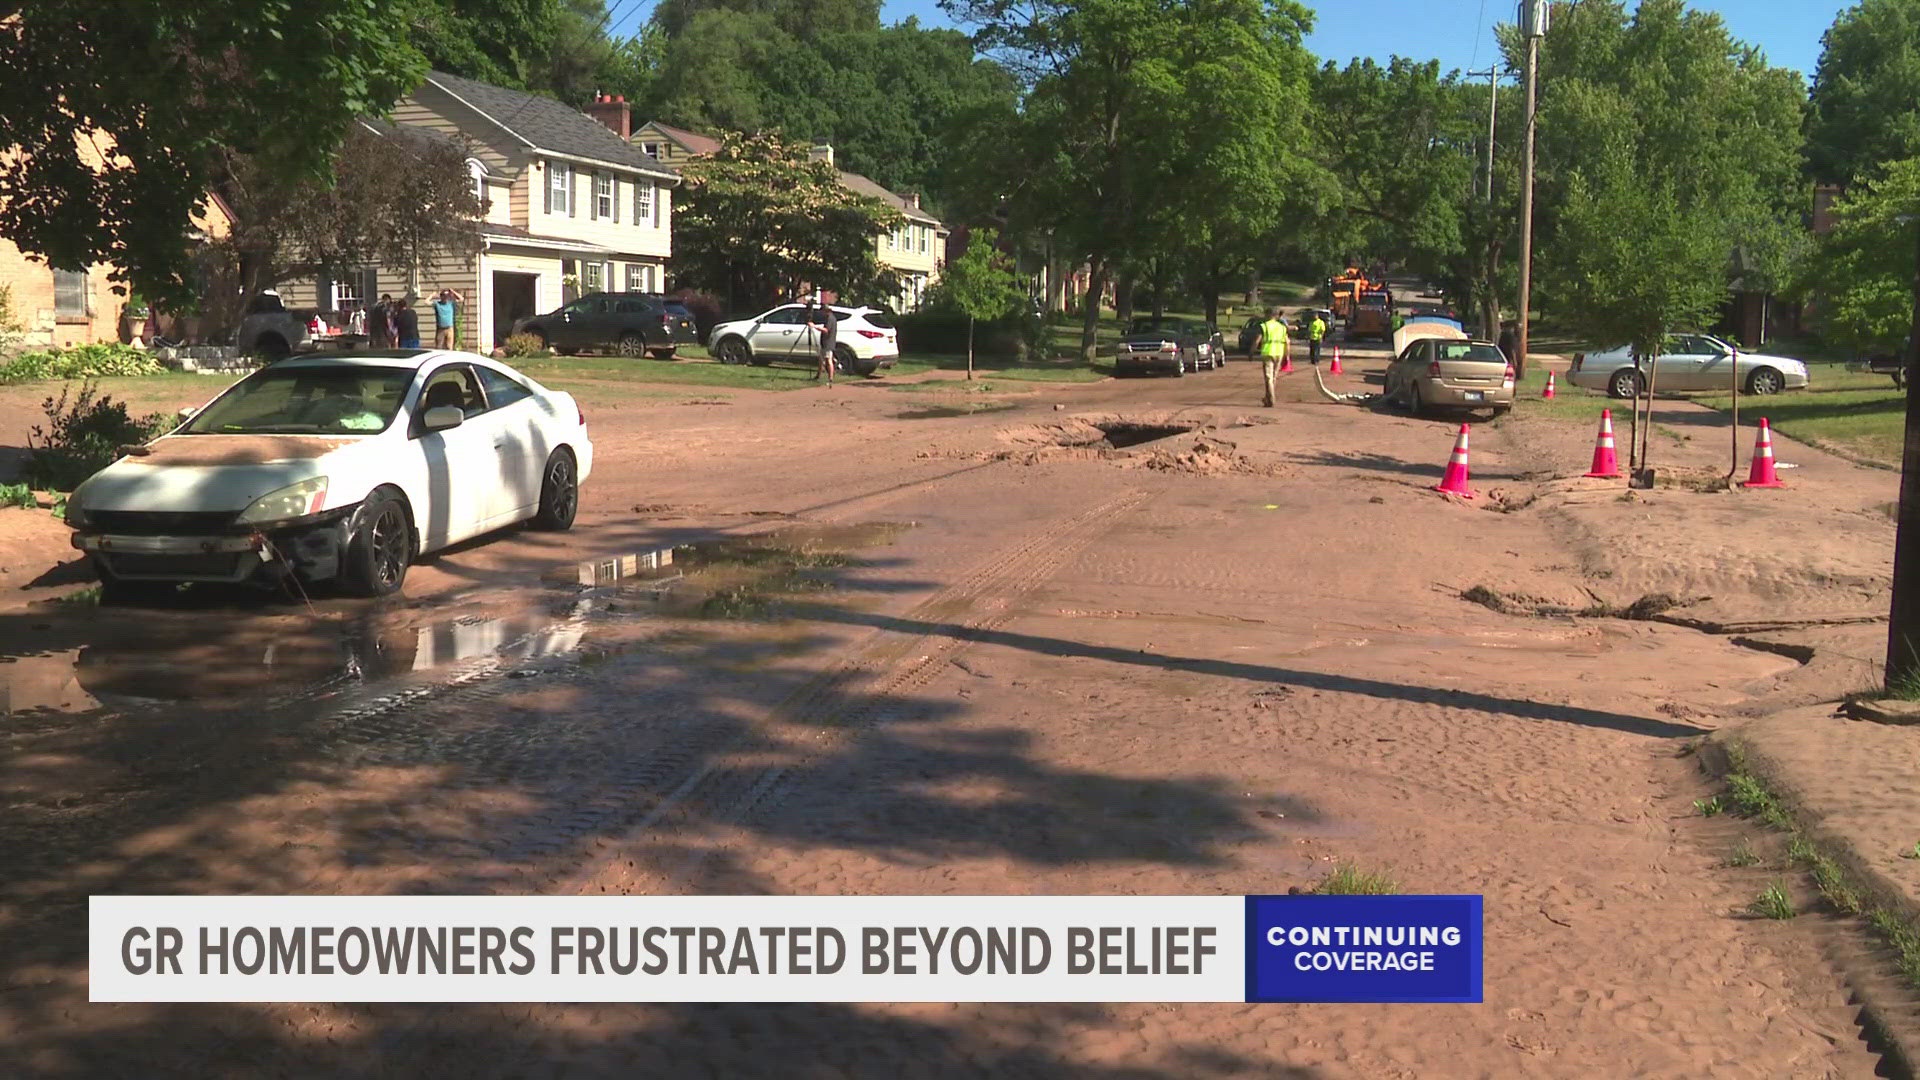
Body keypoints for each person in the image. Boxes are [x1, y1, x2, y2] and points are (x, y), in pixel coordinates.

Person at [1253, 306, 1289, 408]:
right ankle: (1267, 398)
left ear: (1268, 315)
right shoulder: (1282, 327)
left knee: (1268, 377)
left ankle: (1271, 398)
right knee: (1273, 377)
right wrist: (1287, 355)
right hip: (1279, 353)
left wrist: (1252, 351)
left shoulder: (1264, 326)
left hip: (1268, 353)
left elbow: (1257, 340)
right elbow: (1287, 342)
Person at [804, 295, 838, 385]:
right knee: (821, 359)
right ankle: (818, 375)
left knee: (828, 360)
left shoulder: (830, 319)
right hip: (825, 342)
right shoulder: (829, 318)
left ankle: (830, 378)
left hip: (828, 343)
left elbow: (826, 330)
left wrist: (814, 326)